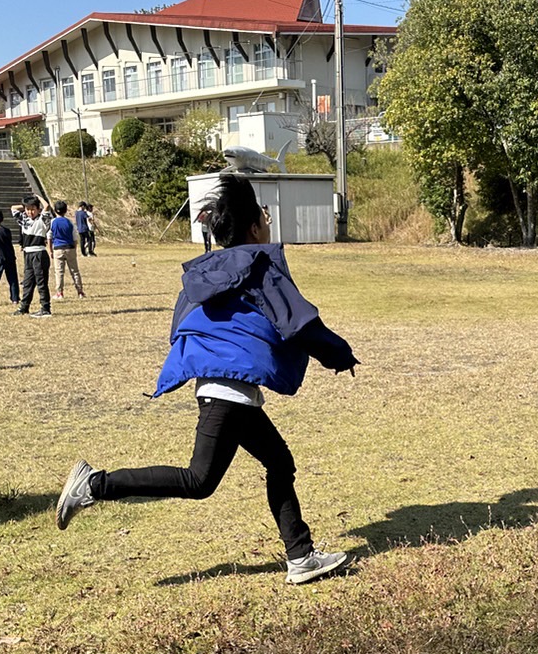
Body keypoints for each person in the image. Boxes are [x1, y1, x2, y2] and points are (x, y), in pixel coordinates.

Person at [55, 173, 358, 585]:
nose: (269, 224)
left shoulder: (208, 271)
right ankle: (94, 485)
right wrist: (340, 354)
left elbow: (182, 323)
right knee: (199, 481)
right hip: (227, 390)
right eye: (265, 217)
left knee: (279, 462)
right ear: (254, 227)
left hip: (222, 384)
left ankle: (301, 556)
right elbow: (299, 322)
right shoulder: (260, 264)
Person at [11, 196, 51, 317]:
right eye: (27, 209)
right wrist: (25, 205)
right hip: (28, 254)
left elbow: (47, 206)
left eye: (33, 209)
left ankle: (45, 308)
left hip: (39, 253)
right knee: (28, 282)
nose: (30, 212)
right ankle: (24, 307)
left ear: (38, 209)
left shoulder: (43, 219)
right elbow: (13, 208)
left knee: (41, 282)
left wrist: (38, 197)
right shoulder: (24, 219)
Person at [49, 199, 84, 299]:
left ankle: (60, 293)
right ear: (65, 210)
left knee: (59, 272)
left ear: (55, 210)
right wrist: (74, 249)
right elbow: (75, 238)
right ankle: (80, 291)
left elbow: (49, 236)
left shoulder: (53, 222)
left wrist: (50, 250)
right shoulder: (69, 222)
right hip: (70, 247)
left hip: (58, 248)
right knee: (75, 271)